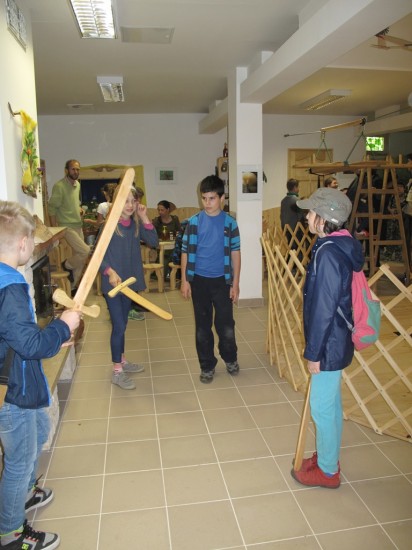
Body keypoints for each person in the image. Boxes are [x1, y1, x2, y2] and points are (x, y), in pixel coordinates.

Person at [0, 201, 81, 549]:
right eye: (32, 241)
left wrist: (52, 339)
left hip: (20, 379)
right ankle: (10, 534)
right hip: (12, 391)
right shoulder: (9, 288)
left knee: (38, 434)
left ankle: (26, 493)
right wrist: (62, 326)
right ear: (23, 244)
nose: (33, 247)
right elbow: (30, 344)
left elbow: (18, 336)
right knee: (18, 461)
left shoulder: (7, 281)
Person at [291, 188, 364, 489]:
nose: (306, 216)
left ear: (323, 219)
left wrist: (314, 353)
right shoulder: (338, 245)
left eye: (311, 212)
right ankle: (328, 457)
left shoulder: (329, 253)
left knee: (321, 407)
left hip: (329, 343)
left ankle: (328, 471)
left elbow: (324, 308)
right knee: (330, 404)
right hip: (337, 339)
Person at [180, 175, 241, 383]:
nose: (207, 203)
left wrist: (235, 283)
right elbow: (185, 252)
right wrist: (185, 281)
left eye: (212, 198)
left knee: (226, 326)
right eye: (204, 198)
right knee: (202, 327)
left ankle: (230, 358)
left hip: (222, 282)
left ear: (222, 198)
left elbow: (235, 253)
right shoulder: (193, 222)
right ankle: (207, 365)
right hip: (199, 282)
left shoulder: (230, 223)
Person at [99, 186, 158, 390]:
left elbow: (154, 241)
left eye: (133, 201)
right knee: (118, 326)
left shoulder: (135, 225)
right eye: (126, 201)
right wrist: (109, 272)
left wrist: (144, 217)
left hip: (128, 285)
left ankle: (122, 360)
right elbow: (97, 256)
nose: (131, 205)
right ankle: (117, 371)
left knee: (123, 323)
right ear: (116, 202)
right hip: (113, 285)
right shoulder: (109, 227)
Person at [48, 159, 90, 292]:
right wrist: (55, 231)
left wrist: (79, 209)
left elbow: (73, 203)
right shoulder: (59, 186)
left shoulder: (78, 185)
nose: (76, 171)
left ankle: (73, 288)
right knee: (86, 251)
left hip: (78, 224)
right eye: (73, 169)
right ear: (66, 170)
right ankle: (66, 265)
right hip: (66, 226)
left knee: (81, 257)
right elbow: (51, 208)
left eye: (78, 169)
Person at [152, 200, 181, 279]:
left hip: (173, 245)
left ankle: (171, 274)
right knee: (167, 255)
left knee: (174, 252)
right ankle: (167, 274)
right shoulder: (157, 220)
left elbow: (179, 232)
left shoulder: (175, 219)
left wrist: (176, 235)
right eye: (159, 210)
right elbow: (152, 234)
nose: (160, 212)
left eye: (162, 210)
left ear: (168, 210)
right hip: (161, 246)